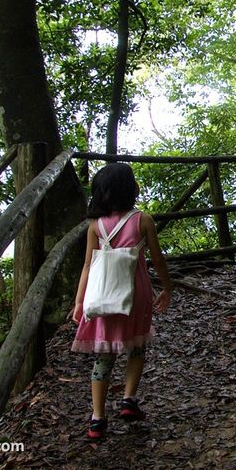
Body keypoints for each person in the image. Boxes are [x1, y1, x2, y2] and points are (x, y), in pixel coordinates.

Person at [71, 162, 173, 439]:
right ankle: (128, 400)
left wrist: (80, 302)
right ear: (130, 189)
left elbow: (88, 266)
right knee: (137, 346)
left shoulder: (96, 225)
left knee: (104, 355)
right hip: (137, 293)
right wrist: (167, 287)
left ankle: (97, 418)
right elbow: (157, 259)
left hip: (104, 294)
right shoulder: (143, 220)